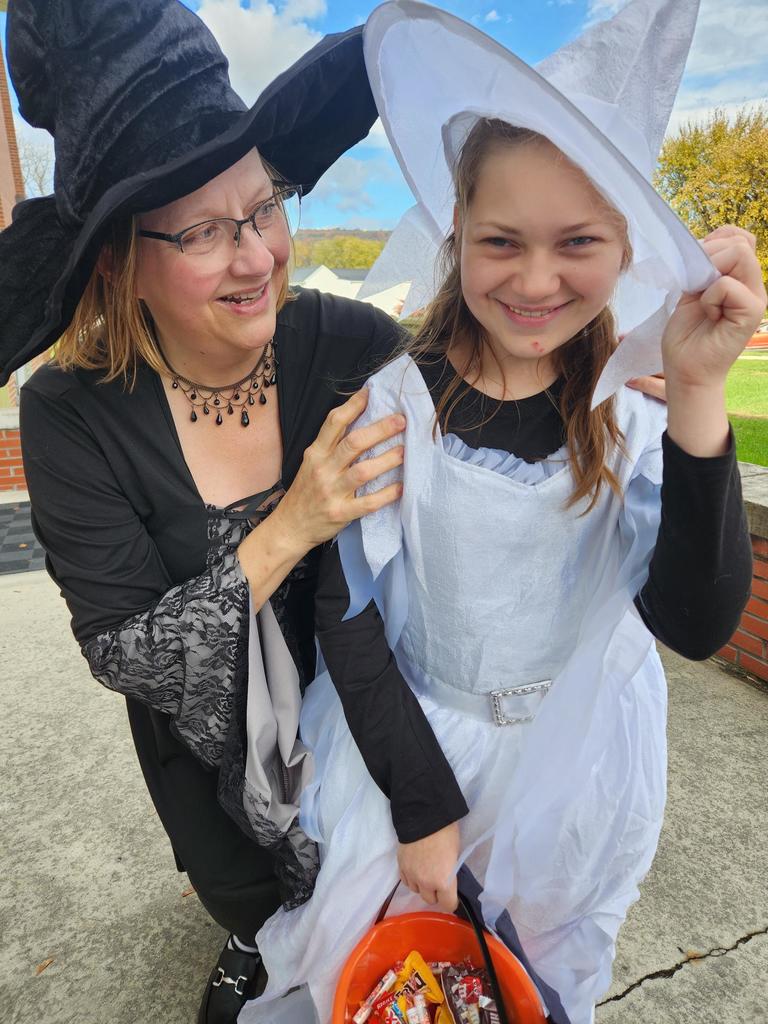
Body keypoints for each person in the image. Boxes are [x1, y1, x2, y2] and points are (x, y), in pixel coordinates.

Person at [249, 2, 762, 1022]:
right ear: (457, 234)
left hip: (576, 767)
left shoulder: (633, 410)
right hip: (411, 753)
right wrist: (422, 800)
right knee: (397, 975)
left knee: (527, 977)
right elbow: (347, 613)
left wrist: (700, 392)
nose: (534, 280)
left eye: (578, 240)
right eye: (500, 241)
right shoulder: (398, 402)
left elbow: (695, 623)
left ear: (626, 247)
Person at [0, 2, 412, 1022]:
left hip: (379, 737)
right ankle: (253, 943)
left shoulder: (348, 343)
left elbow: (492, 406)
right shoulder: (71, 414)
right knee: (259, 913)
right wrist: (291, 524)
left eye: (263, 204)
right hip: (216, 773)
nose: (258, 254)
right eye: (203, 231)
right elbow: (129, 652)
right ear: (118, 261)